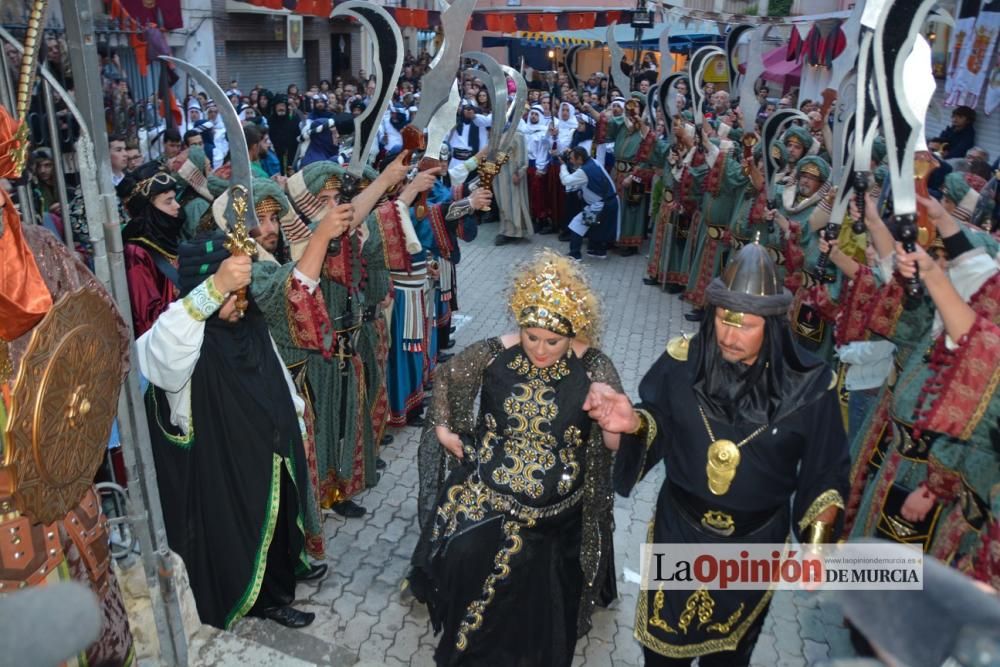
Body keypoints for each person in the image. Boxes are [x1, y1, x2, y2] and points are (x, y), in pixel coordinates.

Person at [585, 241, 849, 666]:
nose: (728, 335)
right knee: (662, 649)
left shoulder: (812, 386)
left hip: (755, 544)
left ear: (773, 324)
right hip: (681, 531)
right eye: (724, 320)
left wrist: (817, 550)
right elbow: (657, 425)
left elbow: (826, 471)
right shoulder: (682, 362)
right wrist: (633, 424)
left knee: (729, 654)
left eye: (745, 325)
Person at [410, 249, 621, 666]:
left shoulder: (595, 366)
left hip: (558, 510)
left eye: (552, 341)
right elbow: (449, 378)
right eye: (532, 337)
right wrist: (443, 429)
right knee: (464, 553)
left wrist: (613, 421)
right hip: (490, 489)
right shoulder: (495, 352)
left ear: (573, 332)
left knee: (539, 593)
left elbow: (614, 443)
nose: (540, 349)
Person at [137, 219, 334, 630]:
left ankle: (281, 581)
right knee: (244, 534)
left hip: (271, 454)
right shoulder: (186, 332)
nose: (238, 303)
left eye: (240, 292)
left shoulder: (247, 320)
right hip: (225, 471)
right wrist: (212, 291)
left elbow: (275, 370)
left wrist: (294, 412)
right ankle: (263, 601)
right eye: (229, 294)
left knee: (278, 522)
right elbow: (157, 354)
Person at [117, 165, 185, 337]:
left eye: (175, 199)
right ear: (148, 210)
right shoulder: (136, 253)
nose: (177, 206)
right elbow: (148, 319)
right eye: (168, 201)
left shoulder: (166, 240)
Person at [559, 146, 618, 260]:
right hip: (608, 201)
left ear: (579, 158)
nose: (570, 161)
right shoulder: (593, 162)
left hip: (600, 205)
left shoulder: (584, 171)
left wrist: (563, 166)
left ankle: (575, 255)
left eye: (572, 158)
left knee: (577, 224)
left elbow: (566, 181)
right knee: (595, 226)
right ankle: (598, 251)